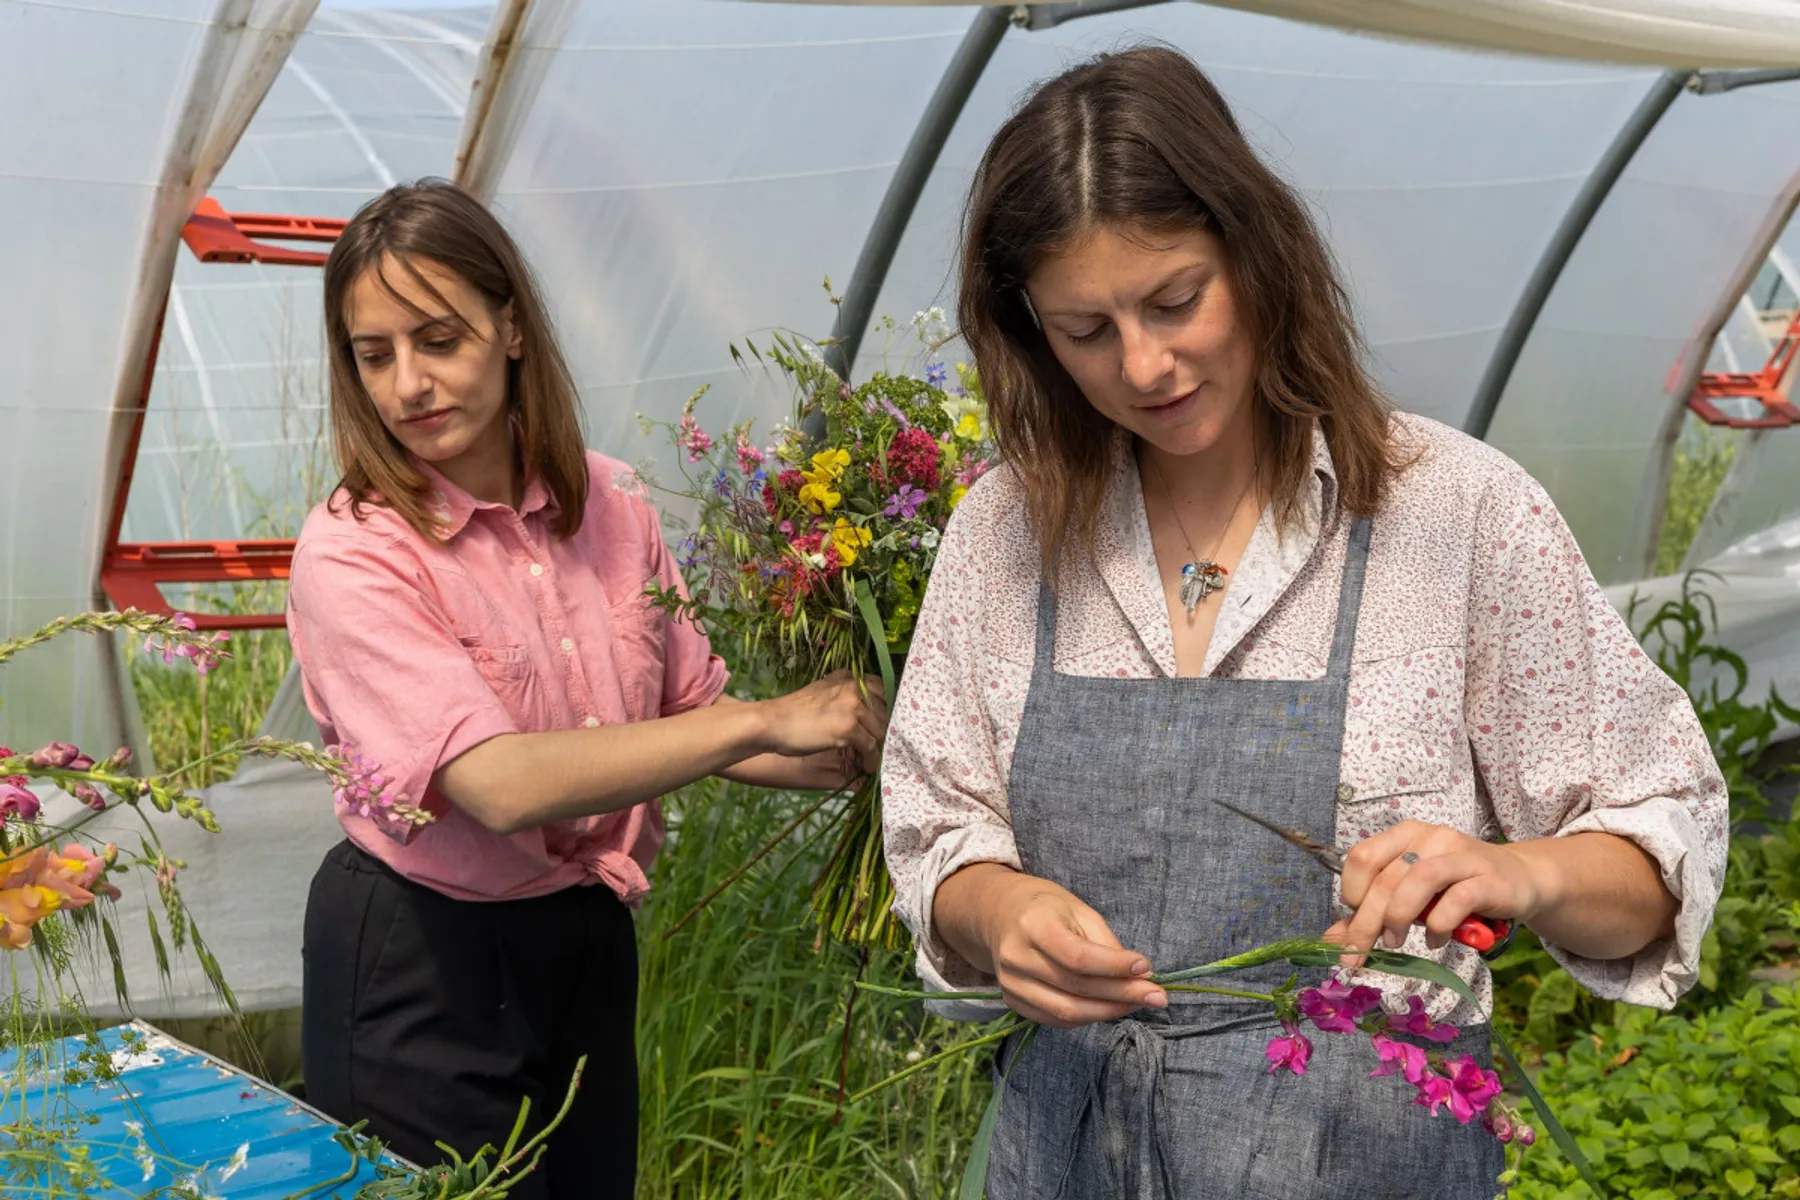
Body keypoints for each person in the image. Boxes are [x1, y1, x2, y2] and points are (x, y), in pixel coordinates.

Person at [881, 47, 1727, 1199]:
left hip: (1364, 1162)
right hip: (1073, 1156)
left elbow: (1654, 844)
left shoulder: (1455, 514)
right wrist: (996, 909)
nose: (1144, 364)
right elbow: (939, 826)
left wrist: (1517, 871)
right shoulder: (1005, 534)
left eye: (1176, 299)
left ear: (1257, 253)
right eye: (1085, 329)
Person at [287, 179, 886, 1200]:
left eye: (439, 340)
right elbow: (501, 784)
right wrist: (771, 718)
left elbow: (698, 726)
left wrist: (884, 742)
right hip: (424, 959)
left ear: (511, 327)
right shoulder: (353, 548)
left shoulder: (612, 504)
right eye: (373, 354)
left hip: (584, 942)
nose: (408, 385)